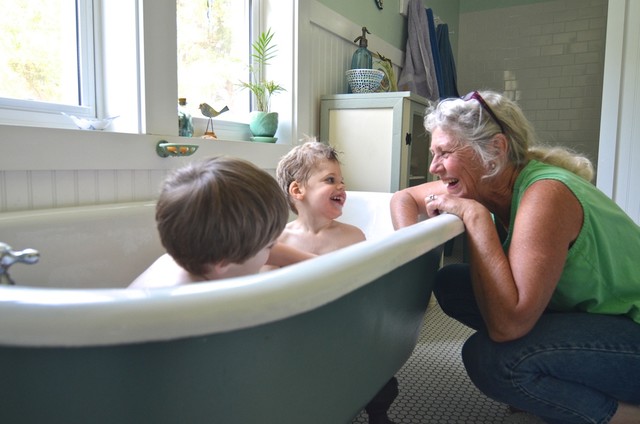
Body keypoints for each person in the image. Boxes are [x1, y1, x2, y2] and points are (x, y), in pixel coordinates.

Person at [390, 90, 640, 423]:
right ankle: (559, 373)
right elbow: (403, 198)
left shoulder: (546, 194)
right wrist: (410, 253)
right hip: (597, 317)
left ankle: (624, 416)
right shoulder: (489, 183)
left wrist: (476, 218)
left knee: (494, 361)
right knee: (451, 282)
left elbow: (508, 327)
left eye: (445, 152)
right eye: (433, 153)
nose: (434, 167)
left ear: (495, 149)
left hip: (631, 330)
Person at [276, 140, 398, 424]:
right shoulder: (279, 239)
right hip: (297, 330)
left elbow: (368, 285)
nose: (342, 187)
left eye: (342, 181)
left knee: (379, 375)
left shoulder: (352, 236)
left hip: (346, 326)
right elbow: (262, 290)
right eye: (331, 180)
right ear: (298, 190)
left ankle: (378, 413)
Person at [130, 156, 291, 288]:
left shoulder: (178, 259)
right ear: (223, 262)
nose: (274, 248)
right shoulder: (198, 303)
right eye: (269, 246)